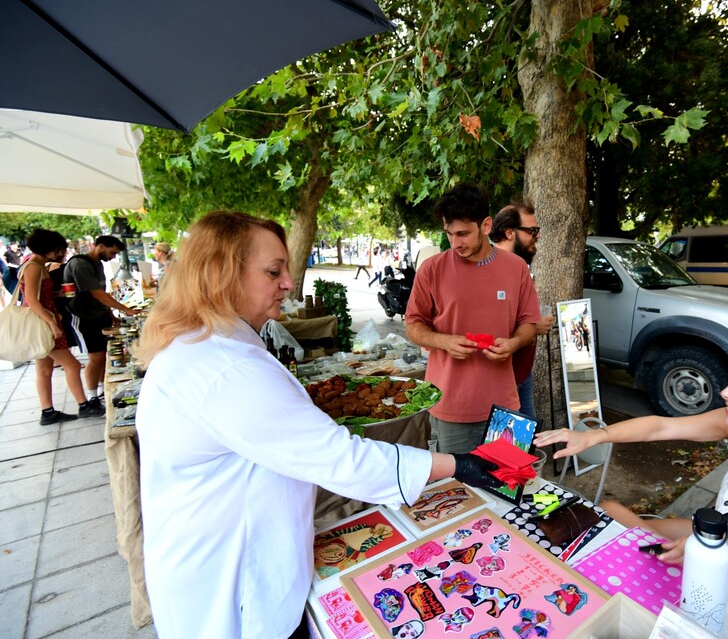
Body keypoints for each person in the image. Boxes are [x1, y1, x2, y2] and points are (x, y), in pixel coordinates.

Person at [134, 210, 501, 639]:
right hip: (234, 592)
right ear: (221, 276)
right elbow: (341, 458)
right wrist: (458, 464)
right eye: (273, 271)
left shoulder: (208, 347)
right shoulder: (225, 367)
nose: (288, 284)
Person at [535, 349, 728, 613]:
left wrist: (725, 564)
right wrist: (592, 436)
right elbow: (661, 427)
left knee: (628, 554)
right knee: (609, 512)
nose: (727, 392)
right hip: (716, 545)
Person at [406, 184, 541, 454]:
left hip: (506, 406)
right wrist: (444, 342)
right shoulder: (431, 269)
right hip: (451, 408)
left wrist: (513, 344)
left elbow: (530, 323)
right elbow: (413, 326)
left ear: (486, 225)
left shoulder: (516, 268)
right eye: (449, 233)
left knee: (507, 478)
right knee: (459, 482)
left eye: (463, 234)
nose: (455, 243)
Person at [19, 230, 105, 424]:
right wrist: (51, 323)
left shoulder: (38, 265)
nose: (60, 253)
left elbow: (38, 296)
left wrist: (56, 294)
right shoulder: (33, 267)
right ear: (47, 248)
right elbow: (31, 299)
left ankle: (48, 412)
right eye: (58, 249)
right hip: (43, 323)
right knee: (71, 365)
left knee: (44, 369)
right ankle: (84, 405)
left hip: (43, 321)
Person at [490, 200, 554, 417]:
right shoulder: (492, 269)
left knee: (526, 435)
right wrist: (534, 327)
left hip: (521, 374)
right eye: (532, 231)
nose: (537, 236)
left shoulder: (519, 268)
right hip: (503, 378)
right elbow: (491, 328)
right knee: (511, 438)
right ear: (510, 233)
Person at [63, 235, 141, 407]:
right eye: (112, 252)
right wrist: (126, 309)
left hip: (98, 314)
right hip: (84, 317)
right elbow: (96, 293)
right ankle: (91, 400)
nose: (113, 257)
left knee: (103, 355)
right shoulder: (80, 264)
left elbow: (102, 293)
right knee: (95, 357)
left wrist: (111, 314)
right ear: (100, 246)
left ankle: (100, 391)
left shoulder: (97, 264)